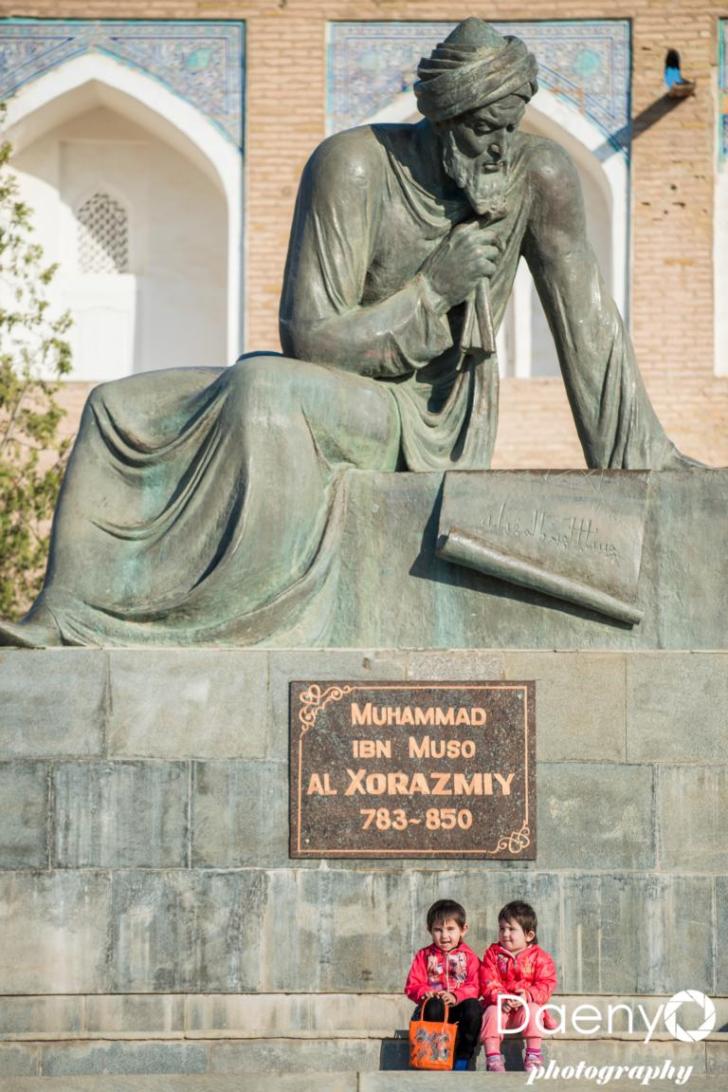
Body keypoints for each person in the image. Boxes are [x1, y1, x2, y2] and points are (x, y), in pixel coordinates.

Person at [0, 17, 694, 648]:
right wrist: (434, 291)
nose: (500, 148)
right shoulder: (353, 165)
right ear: (442, 118)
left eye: (512, 128)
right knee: (117, 406)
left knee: (264, 388)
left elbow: (589, 321)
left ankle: (220, 621)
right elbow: (312, 340)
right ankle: (64, 619)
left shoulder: (536, 174)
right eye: (486, 128)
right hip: (351, 387)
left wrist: (645, 462)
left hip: (427, 419)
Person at [479, 899, 557, 1073]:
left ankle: (533, 1056)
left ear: (529, 935)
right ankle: (493, 1058)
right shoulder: (492, 954)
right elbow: (487, 981)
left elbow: (546, 983)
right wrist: (501, 998)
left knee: (534, 1010)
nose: (505, 934)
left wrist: (527, 995)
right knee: (491, 1013)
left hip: (524, 1009)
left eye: (511, 929)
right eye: (502, 928)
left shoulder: (540, 957)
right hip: (501, 1007)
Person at [404, 898, 482, 1071]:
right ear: (430, 930)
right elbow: (412, 985)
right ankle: (435, 1056)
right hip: (435, 1010)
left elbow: (476, 985)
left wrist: (456, 996)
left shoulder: (470, 957)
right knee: (434, 1005)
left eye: (450, 929)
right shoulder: (424, 955)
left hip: (460, 1009)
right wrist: (424, 992)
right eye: (438, 930)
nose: (444, 936)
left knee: (474, 1008)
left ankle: (462, 1057)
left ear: (463, 929)